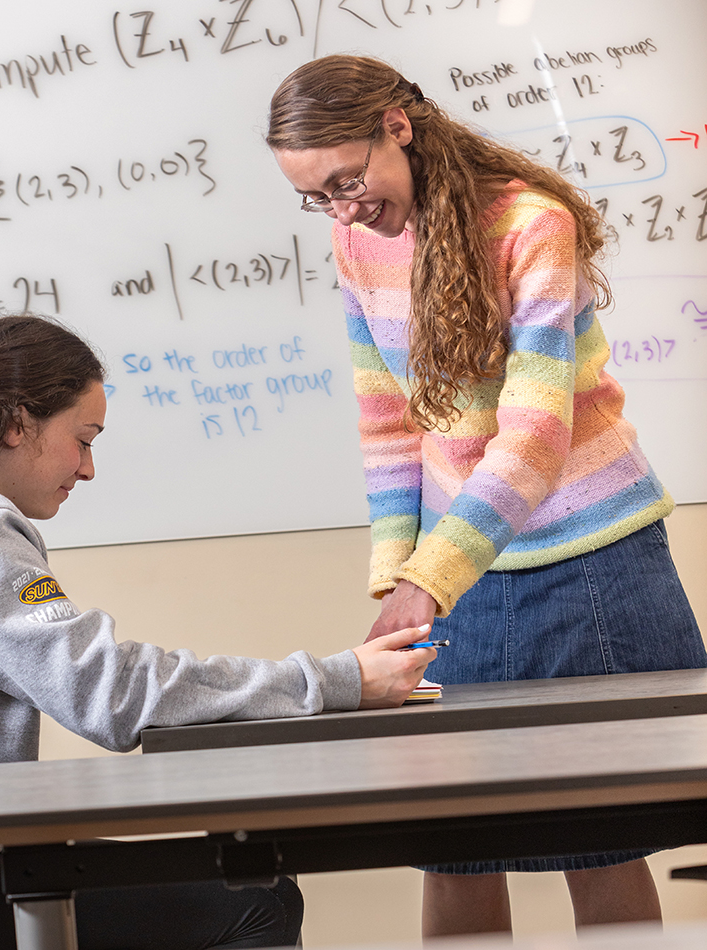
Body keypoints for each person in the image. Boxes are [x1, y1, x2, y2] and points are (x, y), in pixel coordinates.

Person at [0, 314, 436, 950]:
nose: (87, 468)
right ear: (18, 423)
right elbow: (111, 695)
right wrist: (337, 678)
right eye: (83, 440)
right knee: (260, 901)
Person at [265, 55, 707, 938]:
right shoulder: (355, 238)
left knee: (600, 842)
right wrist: (398, 574)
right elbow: (391, 421)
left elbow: (535, 439)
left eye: (347, 181)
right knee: (455, 846)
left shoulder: (530, 223)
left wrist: (427, 581)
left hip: (589, 568)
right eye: (317, 196)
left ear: (399, 124)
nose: (342, 209)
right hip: (460, 566)